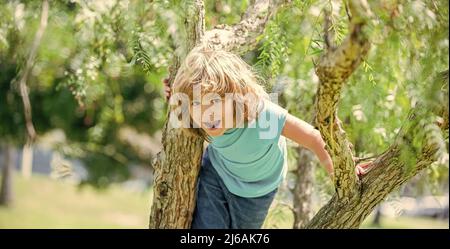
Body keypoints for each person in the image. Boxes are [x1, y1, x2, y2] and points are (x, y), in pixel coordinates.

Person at [162, 44, 370, 229]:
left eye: (215, 102)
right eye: (198, 104)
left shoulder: (262, 116)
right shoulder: (197, 116)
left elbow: (314, 139)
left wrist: (340, 172)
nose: (207, 113)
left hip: (257, 191)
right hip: (216, 174)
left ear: (237, 95)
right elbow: (182, 102)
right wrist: (173, 92)